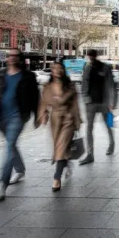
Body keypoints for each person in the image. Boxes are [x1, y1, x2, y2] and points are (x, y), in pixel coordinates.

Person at [0, 48, 39, 201]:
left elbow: (35, 97)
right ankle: (20, 169)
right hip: (1, 117)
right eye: (9, 56)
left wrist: (37, 116)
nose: (12, 58)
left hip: (18, 116)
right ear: (6, 58)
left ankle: (2, 183)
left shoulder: (28, 76)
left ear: (20, 59)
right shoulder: (0, 75)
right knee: (11, 145)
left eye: (15, 56)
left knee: (9, 146)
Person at [38, 62, 81, 192]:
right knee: (59, 147)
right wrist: (43, 115)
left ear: (63, 70)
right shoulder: (47, 87)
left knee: (60, 147)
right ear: (51, 71)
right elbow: (43, 103)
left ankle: (57, 178)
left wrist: (77, 122)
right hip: (55, 120)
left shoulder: (70, 86)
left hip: (68, 119)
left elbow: (75, 105)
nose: (57, 70)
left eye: (59, 68)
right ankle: (66, 162)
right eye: (54, 68)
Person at [80, 49, 117, 164]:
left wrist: (112, 102)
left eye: (91, 56)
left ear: (95, 56)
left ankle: (112, 144)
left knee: (109, 124)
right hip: (91, 103)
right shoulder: (87, 68)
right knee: (89, 128)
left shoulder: (105, 67)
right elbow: (84, 84)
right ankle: (90, 154)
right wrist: (86, 99)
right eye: (89, 56)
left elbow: (112, 85)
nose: (90, 58)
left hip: (105, 103)